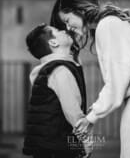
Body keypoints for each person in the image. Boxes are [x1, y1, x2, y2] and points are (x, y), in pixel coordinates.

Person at [50, 0, 130, 158]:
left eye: (68, 20)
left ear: (79, 9)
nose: (69, 27)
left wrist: (91, 117)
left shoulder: (106, 26)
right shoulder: (111, 22)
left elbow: (116, 82)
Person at [22, 24, 92, 158]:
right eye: (58, 31)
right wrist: (86, 141)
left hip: (47, 147)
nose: (64, 31)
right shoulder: (60, 71)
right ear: (53, 42)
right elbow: (73, 112)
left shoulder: (48, 70)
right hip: (59, 149)